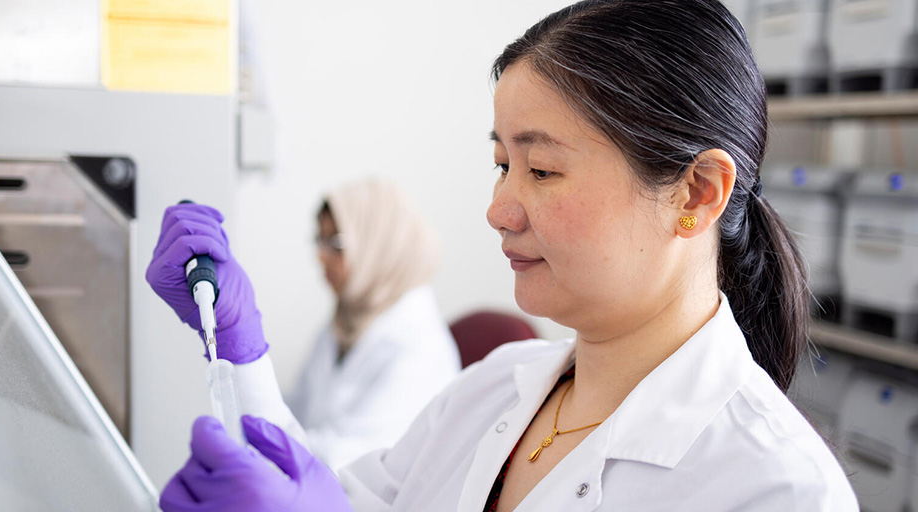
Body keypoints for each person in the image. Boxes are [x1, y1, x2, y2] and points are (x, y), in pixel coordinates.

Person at [147, 0, 859, 510]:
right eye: (500, 165)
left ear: (697, 193)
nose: (498, 209)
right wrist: (237, 356)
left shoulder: (776, 488)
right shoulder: (495, 388)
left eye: (541, 170)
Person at [287, 179, 460, 471]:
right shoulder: (347, 318)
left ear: (381, 244)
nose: (321, 256)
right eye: (320, 240)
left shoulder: (419, 346)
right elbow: (297, 409)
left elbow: (357, 462)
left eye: (336, 243)